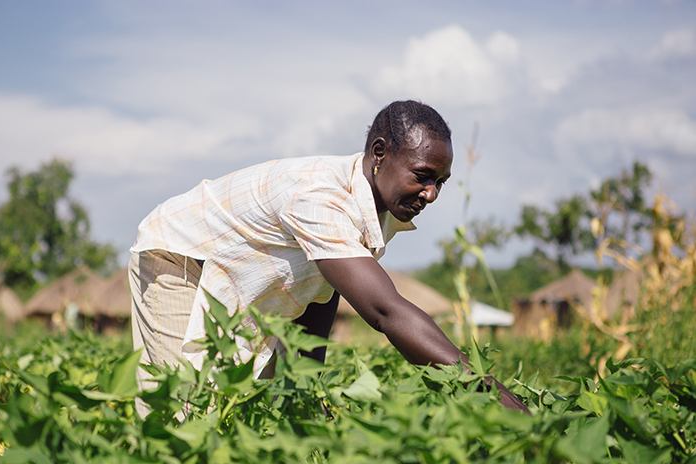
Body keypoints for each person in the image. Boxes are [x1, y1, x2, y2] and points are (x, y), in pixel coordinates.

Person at [129, 100, 529, 416]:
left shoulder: (380, 204)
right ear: (379, 153)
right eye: (422, 175)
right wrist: (486, 389)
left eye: (439, 182)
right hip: (179, 258)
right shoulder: (321, 199)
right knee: (182, 412)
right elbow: (385, 312)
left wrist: (308, 386)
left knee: (266, 409)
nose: (431, 194)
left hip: (234, 277)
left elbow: (324, 289)